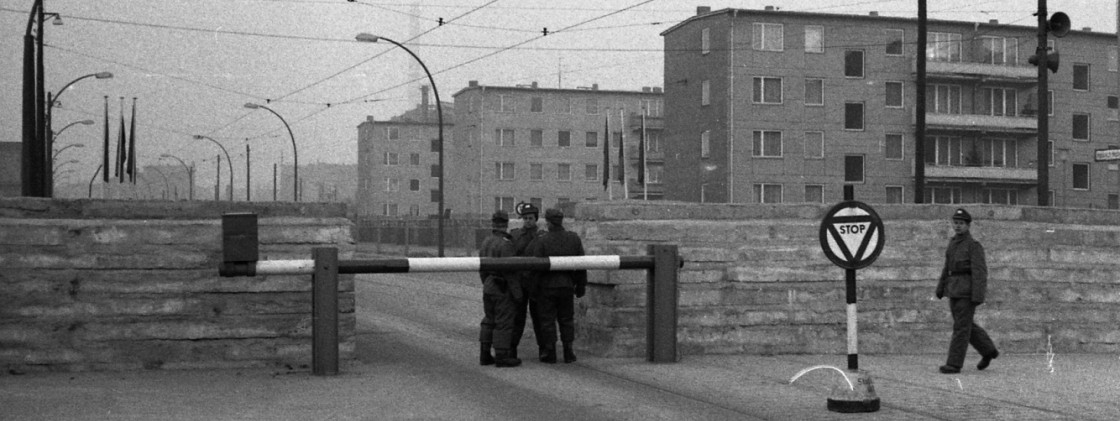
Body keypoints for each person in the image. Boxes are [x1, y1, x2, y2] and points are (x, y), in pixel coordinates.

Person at [935, 208, 999, 374]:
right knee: (964, 325)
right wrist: (941, 288)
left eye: (961, 223)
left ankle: (954, 364)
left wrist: (978, 295)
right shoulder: (952, 243)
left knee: (961, 328)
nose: (957, 226)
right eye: (955, 223)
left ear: (968, 225)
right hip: (953, 290)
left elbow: (980, 272)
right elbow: (947, 268)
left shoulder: (973, 246)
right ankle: (988, 350)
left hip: (966, 291)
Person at [526, 208, 587, 364]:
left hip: (547, 287)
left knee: (547, 320)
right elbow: (582, 264)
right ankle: (568, 351)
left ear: (547, 222)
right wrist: (581, 286)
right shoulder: (573, 239)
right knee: (566, 319)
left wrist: (532, 290)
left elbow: (537, 267)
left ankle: (550, 352)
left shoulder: (542, 240)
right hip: (567, 285)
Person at [477, 210, 522, 368]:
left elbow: (481, 267)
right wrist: (517, 294)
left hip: (489, 284)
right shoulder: (506, 243)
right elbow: (510, 271)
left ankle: (484, 353)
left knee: (489, 319)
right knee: (504, 321)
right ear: (506, 224)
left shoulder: (486, 241)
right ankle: (502, 355)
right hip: (502, 286)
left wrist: (486, 283)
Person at [509, 202, 545, 360]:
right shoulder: (516, 235)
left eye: (530, 218)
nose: (528, 221)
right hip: (521, 283)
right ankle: (511, 349)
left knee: (539, 318)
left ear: (536, 219)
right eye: (525, 218)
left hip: (536, 283)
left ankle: (544, 349)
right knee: (518, 318)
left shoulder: (542, 236)